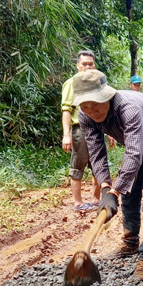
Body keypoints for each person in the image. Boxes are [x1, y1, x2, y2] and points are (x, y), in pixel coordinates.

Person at [74, 69, 143, 281]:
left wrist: (114, 189)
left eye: (95, 104)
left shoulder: (128, 108)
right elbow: (97, 152)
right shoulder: (86, 116)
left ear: (106, 96)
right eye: (85, 106)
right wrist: (106, 188)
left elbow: (133, 154)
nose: (91, 111)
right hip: (138, 146)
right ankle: (131, 242)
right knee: (129, 193)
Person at [61, 50, 101, 211]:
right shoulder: (71, 83)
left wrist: (109, 131)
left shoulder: (97, 82)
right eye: (84, 64)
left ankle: (95, 200)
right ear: (78, 66)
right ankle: (78, 203)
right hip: (80, 129)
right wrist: (66, 135)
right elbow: (66, 110)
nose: (87, 67)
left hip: (97, 128)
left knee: (98, 164)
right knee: (78, 164)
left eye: (90, 64)